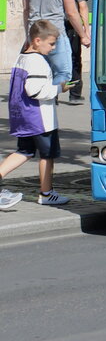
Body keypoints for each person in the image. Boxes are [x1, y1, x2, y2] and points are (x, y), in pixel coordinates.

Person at [0, 19, 72, 206]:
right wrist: (59, 88)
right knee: (47, 155)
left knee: (24, 151)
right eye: (51, 43)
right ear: (37, 41)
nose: (53, 48)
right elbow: (35, 90)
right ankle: (46, 193)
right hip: (40, 118)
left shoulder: (22, 57)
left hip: (23, 115)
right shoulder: (38, 61)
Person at [60, 0, 92, 104]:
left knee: (54, 58)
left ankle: (53, 95)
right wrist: (86, 32)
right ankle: (74, 94)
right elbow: (82, 6)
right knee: (74, 58)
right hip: (71, 25)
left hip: (54, 23)